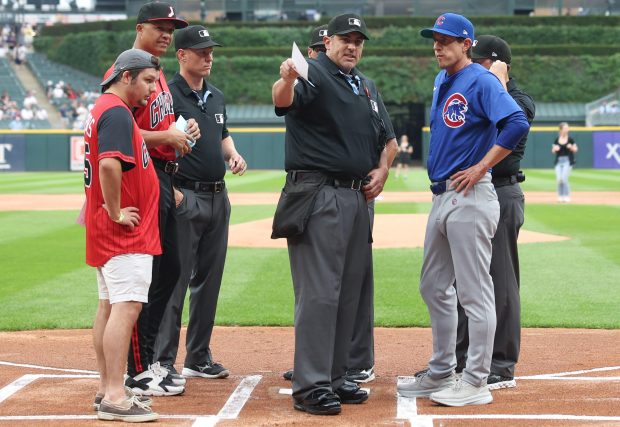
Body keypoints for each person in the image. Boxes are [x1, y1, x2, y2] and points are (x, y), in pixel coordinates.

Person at [396, 13, 529, 407]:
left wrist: (482, 165)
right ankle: (440, 371)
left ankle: (475, 381)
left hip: (470, 195)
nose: (438, 45)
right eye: (435, 39)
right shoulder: (442, 80)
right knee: (433, 286)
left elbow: (516, 121)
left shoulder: (483, 80)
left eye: (447, 40)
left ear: (466, 44)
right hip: (442, 196)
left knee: (474, 292)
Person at [272, 13, 391, 415]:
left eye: (358, 40)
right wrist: (287, 77)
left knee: (349, 294)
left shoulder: (359, 85)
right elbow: (281, 99)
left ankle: (337, 376)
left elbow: (382, 140)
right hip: (319, 193)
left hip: (356, 197)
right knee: (321, 292)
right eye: (345, 39)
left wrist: (382, 167)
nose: (352, 46)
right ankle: (310, 386)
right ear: (327, 42)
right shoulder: (314, 73)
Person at [107, 1, 201, 397]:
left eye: (172, 27)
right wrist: (166, 138)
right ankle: (138, 370)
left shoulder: (157, 72)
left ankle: (152, 362)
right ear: (141, 27)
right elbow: (118, 129)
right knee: (148, 277)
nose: (167, 32)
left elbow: (155, 127)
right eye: (160, 26)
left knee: (169, 272)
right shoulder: (124, 70)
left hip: (163, 176)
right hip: (142, 181)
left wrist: (180, 132)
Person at [153, 25, 247, 380]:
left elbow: (222, 134)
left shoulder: (216, 95)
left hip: (218, 195)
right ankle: (162, 360)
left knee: (210, 280)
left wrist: (233, 154)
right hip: (185, 194)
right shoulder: (167, 95)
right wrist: (172, 190)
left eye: (211, 50)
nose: (209, 56)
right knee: (175, 280)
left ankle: (198, 355)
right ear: (182, 55)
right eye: (201, 51)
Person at [453, 35, 536, 390]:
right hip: (472, 193)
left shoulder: (518, 99)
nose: (471, 65)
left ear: (494, 63)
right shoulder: (474, 91)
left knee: (500, 280)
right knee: (464, 281)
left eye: (478, 60)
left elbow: (513, 122)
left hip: (501, 193)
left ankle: (500, 363)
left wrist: (498, 80)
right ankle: (462, 357)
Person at [85, 48, 162, 423]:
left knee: (109, 305)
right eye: (147, 80)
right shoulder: (116, 111)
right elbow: (110, 165)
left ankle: (106, 388)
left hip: (109, 231)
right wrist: (115, 210)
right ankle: (116, 395)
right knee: (126, 307)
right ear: (126, 76)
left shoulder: (104, 108)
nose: (152, 89)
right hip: (123, 232)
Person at [552, 122, 577, 203]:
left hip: (567, 161)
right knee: (559, 179)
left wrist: (571, 147)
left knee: (564, 179)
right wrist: (555, 149)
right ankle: (560, 196)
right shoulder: (557, 139)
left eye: (567, 128)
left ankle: (566, 196)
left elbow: (576, 149)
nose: (567, 130)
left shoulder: (570, 139)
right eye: (565, 128)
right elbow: (553, 150)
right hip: (559, 161)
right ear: (561, 130)